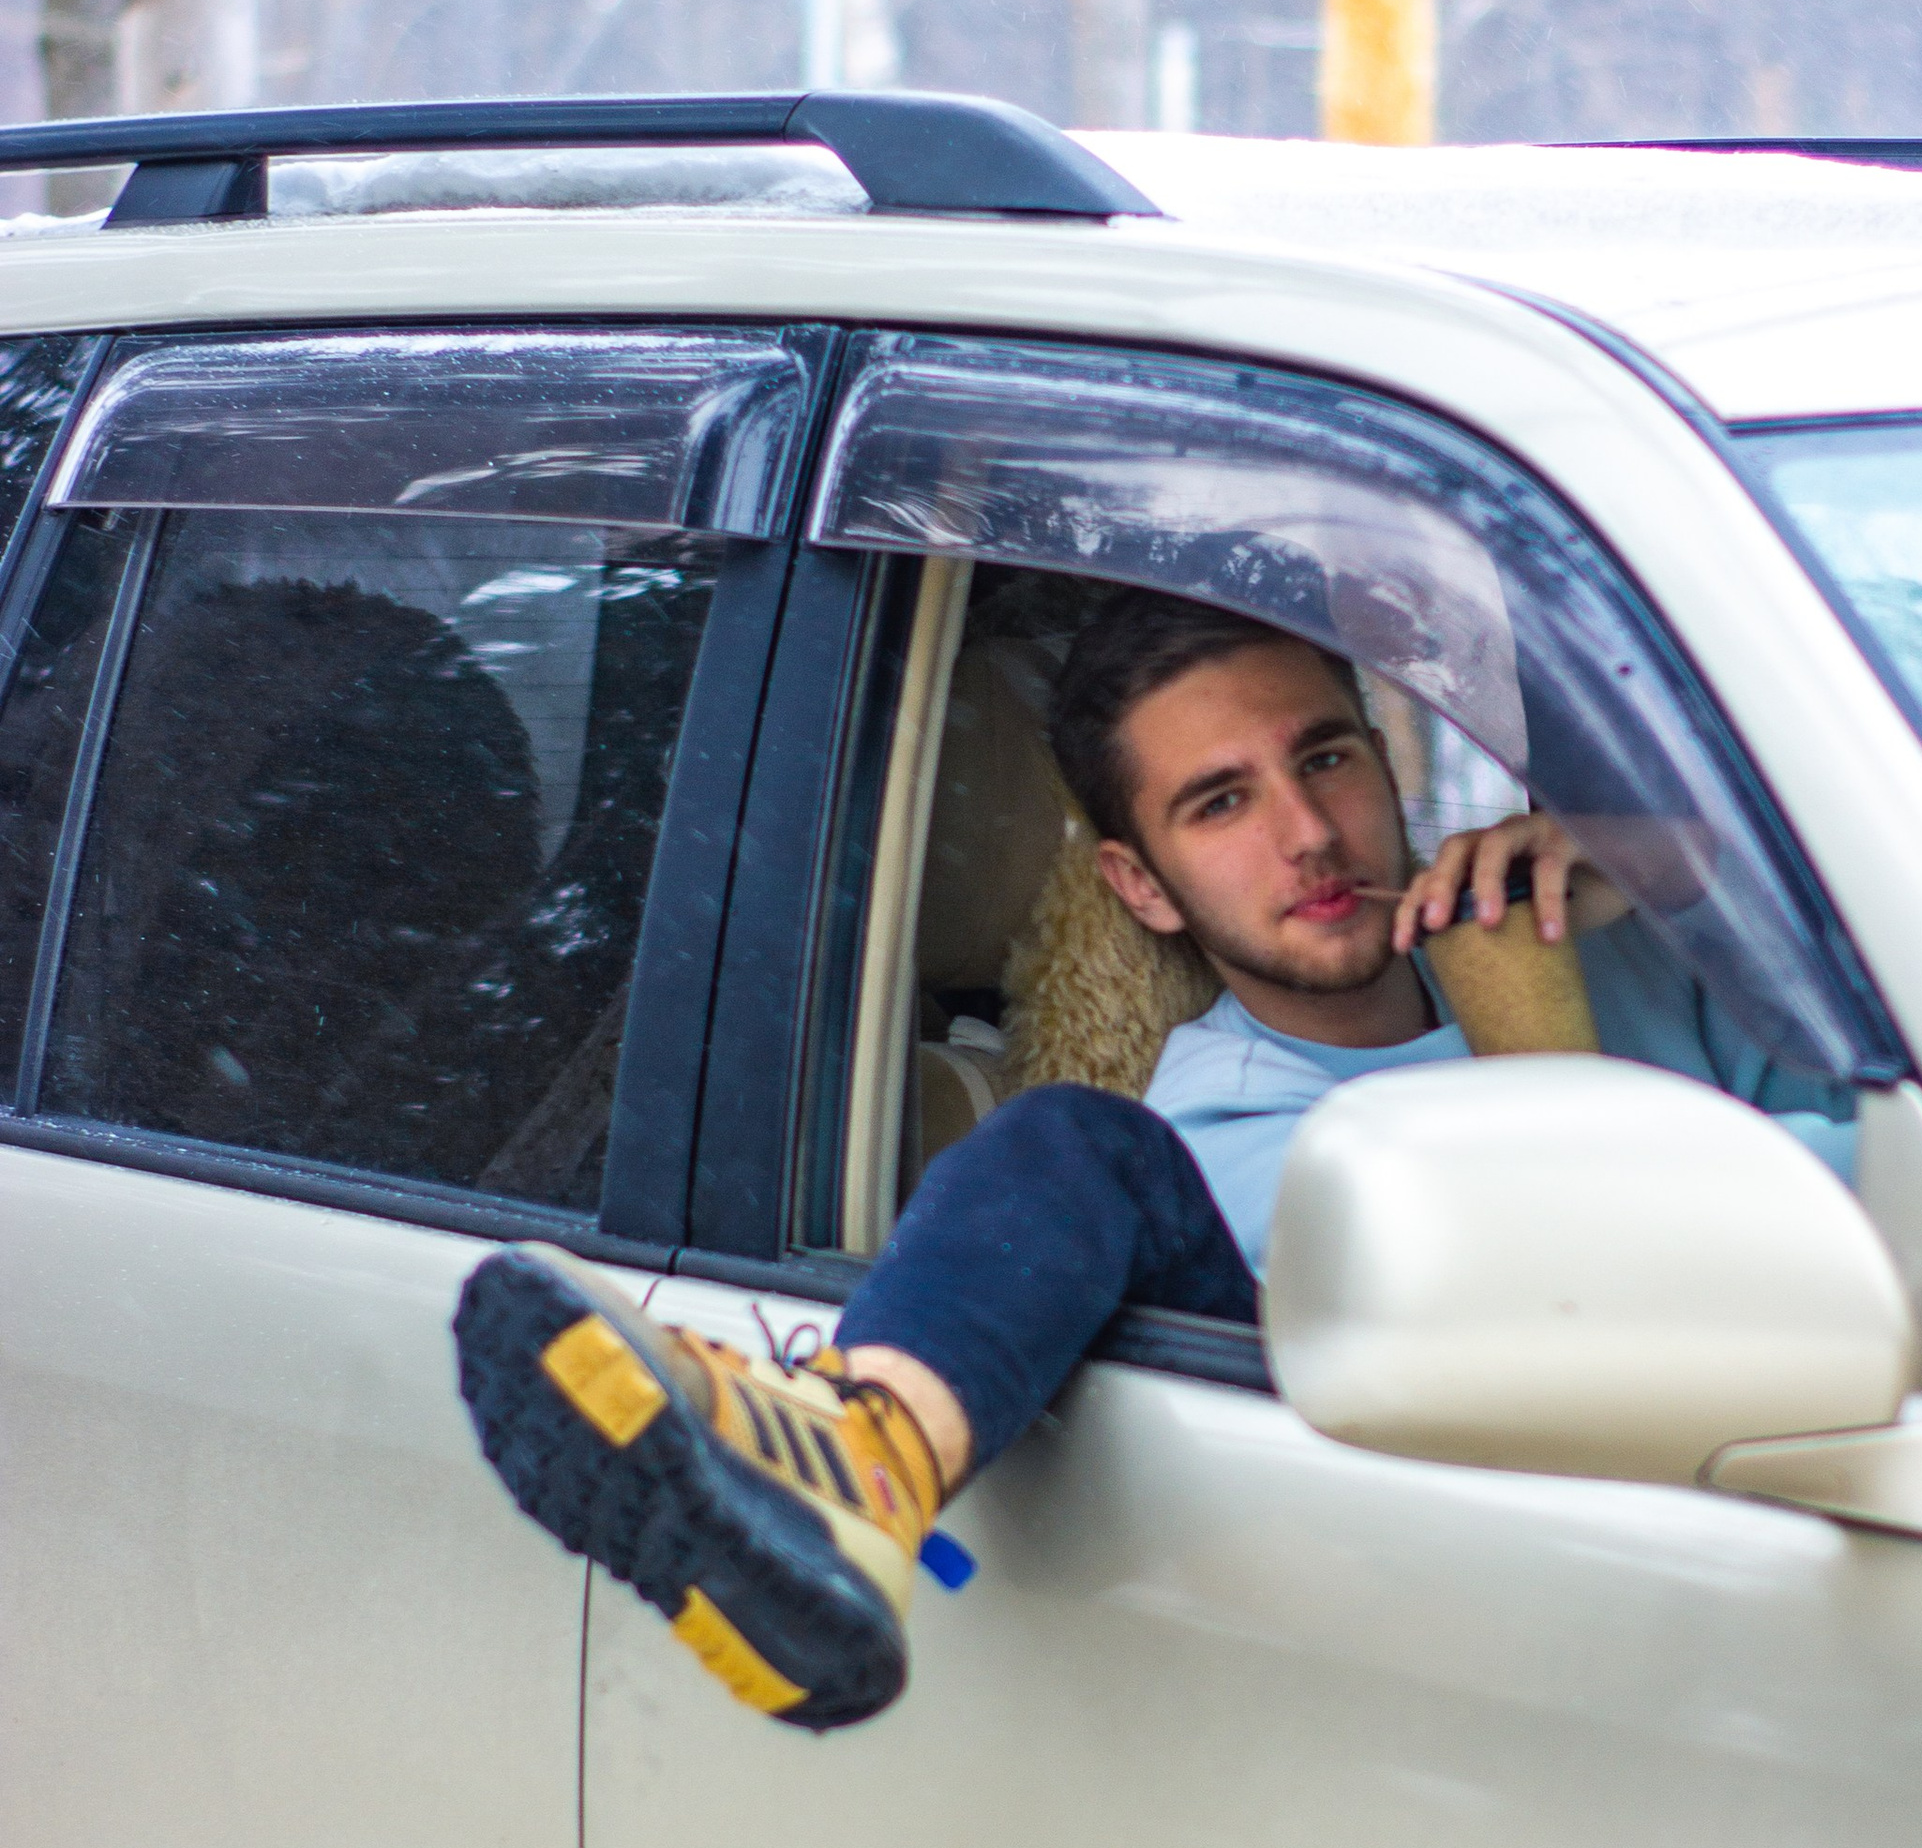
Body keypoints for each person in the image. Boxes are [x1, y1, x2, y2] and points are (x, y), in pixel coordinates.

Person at [452, 586, 1680, 1734]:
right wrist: (1541, 1024)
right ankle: (863, 1455)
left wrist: (1685, 878)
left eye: (1323, 759)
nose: (1307, 834)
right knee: (1073, 1146)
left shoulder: (1609, 942)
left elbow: (1875, 1149)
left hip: (1714, 1546)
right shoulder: (1225, 1135)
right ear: (1140, 888)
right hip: (1459, 1625)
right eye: (1221, 803)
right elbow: (1578, 1296)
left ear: (1385, 764)